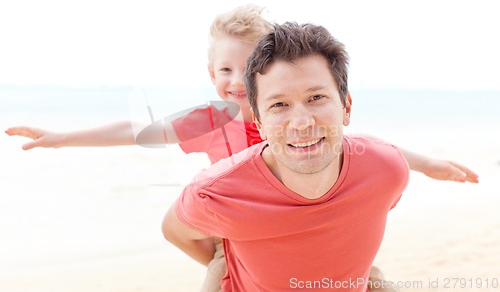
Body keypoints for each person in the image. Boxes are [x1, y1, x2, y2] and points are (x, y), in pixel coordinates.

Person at [5, 6, 478, 292]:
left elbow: (370, 148)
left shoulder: (309, 119)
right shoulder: (213, 118)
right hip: (234, 231)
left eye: (245, 67)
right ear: (212, 74)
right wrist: (63, 137)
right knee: (220, 276)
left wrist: (429, 163)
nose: (233, 82)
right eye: (224, 71)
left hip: (322, 234)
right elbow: (140, 130)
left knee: (361, 270)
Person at [161, 21, 475, 291]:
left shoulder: (387, 171)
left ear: (346, 106)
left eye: (316, 97)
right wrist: (234, 260)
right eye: (279, 105)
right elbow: (177, 232)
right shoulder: (215, 194)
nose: (302, 123)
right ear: (259, 122)